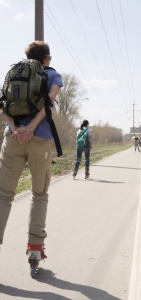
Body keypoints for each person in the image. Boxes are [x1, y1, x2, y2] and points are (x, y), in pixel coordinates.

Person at [0, 41, 63, 267]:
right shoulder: (52, 75)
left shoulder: (15, 73)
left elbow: (3, 105)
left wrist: (16, 128)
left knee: (3, 196)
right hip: (40, 140)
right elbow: (49, 103)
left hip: (12, 139)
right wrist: (31, 128)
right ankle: (35, 249)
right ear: (46, 58)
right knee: (39, 194)